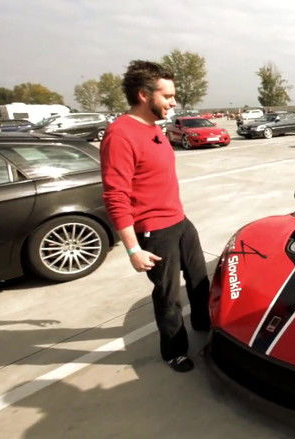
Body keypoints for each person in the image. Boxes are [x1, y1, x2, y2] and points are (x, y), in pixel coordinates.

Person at [100, 60, 211, 373]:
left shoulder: (154, 129)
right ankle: (174, 351)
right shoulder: (120, 134)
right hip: (154, 230)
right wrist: (133, 249)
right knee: (168, 295)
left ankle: (204, 324)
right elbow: (115, 196)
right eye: (168, 96)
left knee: (199, 280)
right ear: (143, 95)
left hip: (179, 221)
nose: (174, 102)